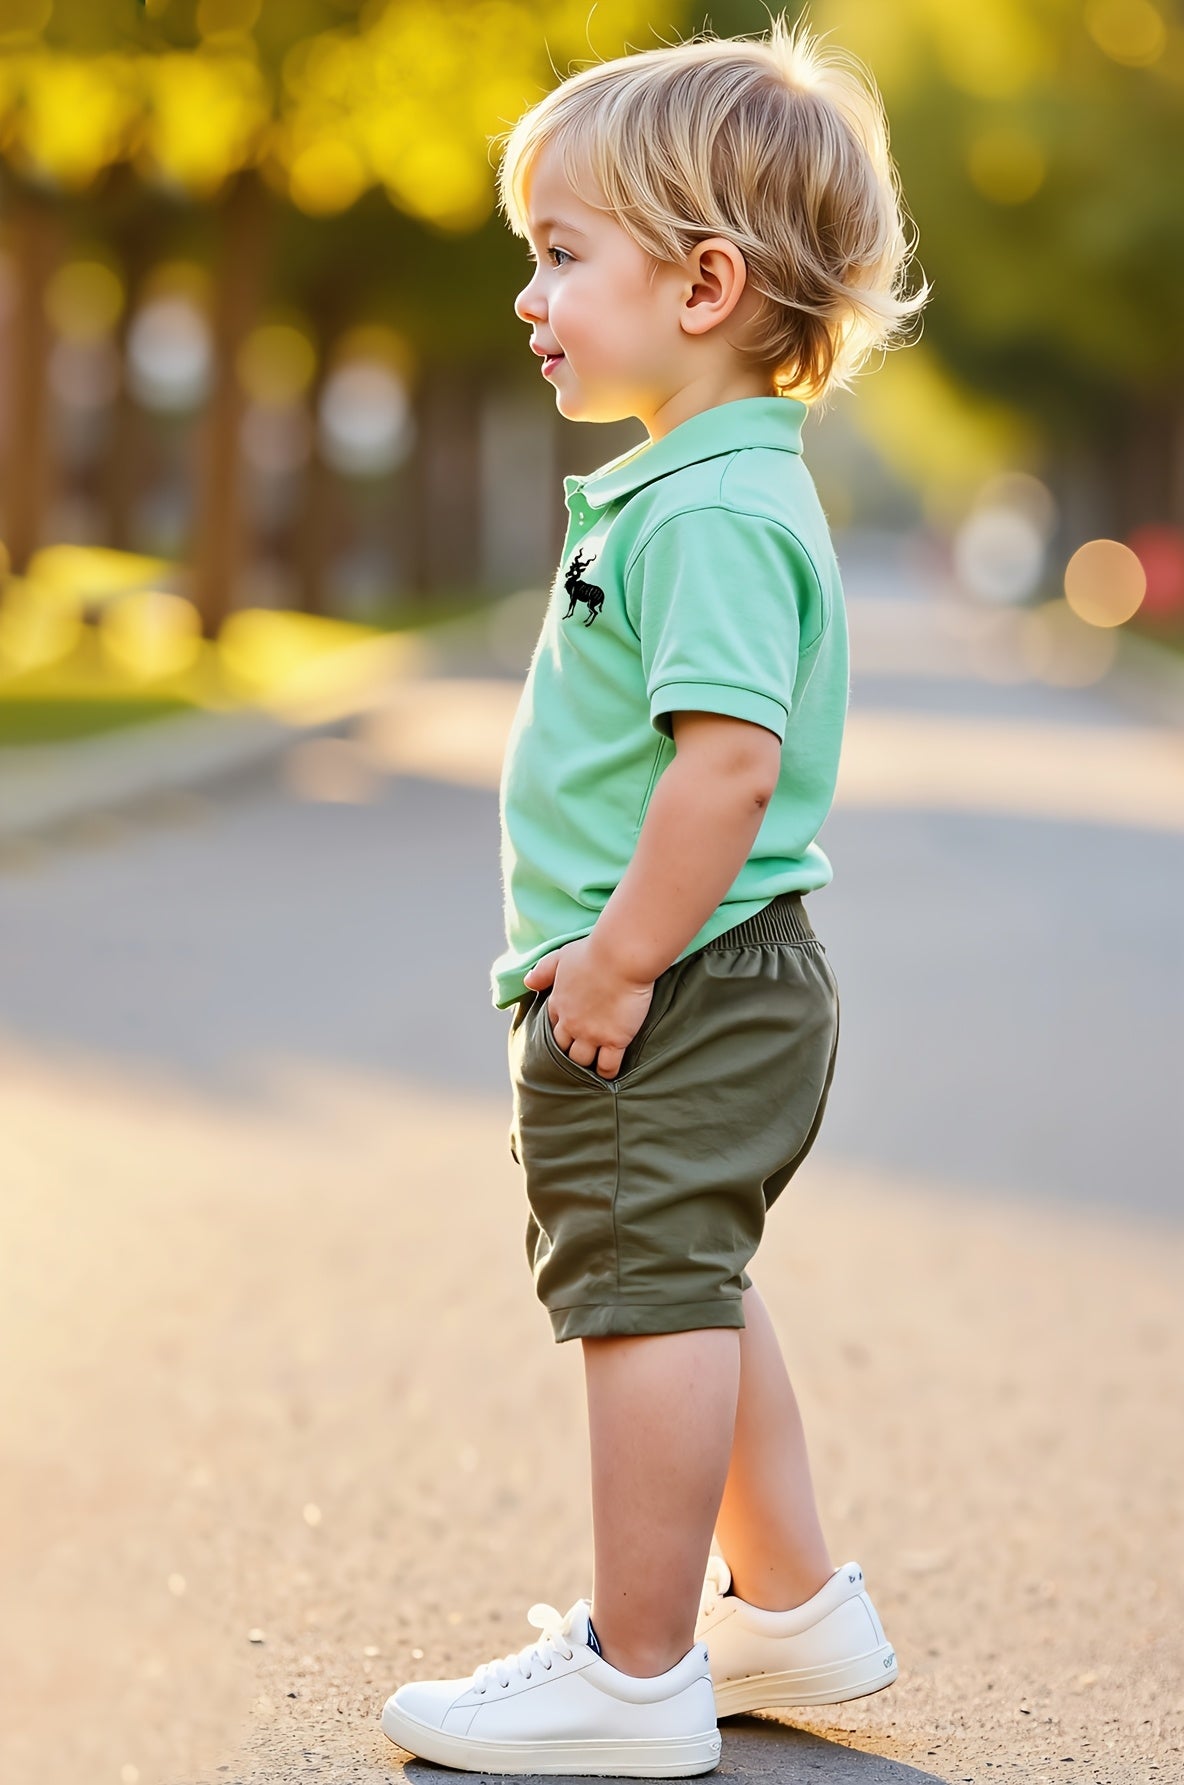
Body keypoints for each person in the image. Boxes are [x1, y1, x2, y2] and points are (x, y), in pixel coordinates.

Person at [382, 17, 930, 1776]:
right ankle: (788, 1597)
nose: (531, 298)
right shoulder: (717, 481)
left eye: (560, 257)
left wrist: (613, 964)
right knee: (694, 1264)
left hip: (677, 970)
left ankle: (636, 1669)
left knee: (644, 1289)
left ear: (704, 283)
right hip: (729, 968)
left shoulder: (702, 509)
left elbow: (724, 769)